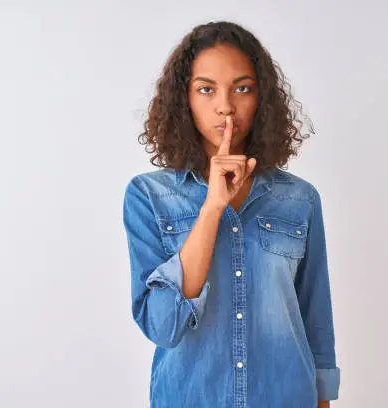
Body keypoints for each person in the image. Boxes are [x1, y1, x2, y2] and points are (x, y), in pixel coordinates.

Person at [122, 20, 340, 408]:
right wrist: (212, 208)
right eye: (206, 89)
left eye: (242, 88)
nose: (225, 105)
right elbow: (162, 325)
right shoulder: (148, 197)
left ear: (262, 99)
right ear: (184, 100)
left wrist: (324, 400)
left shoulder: (300, 199)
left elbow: (315, 316)